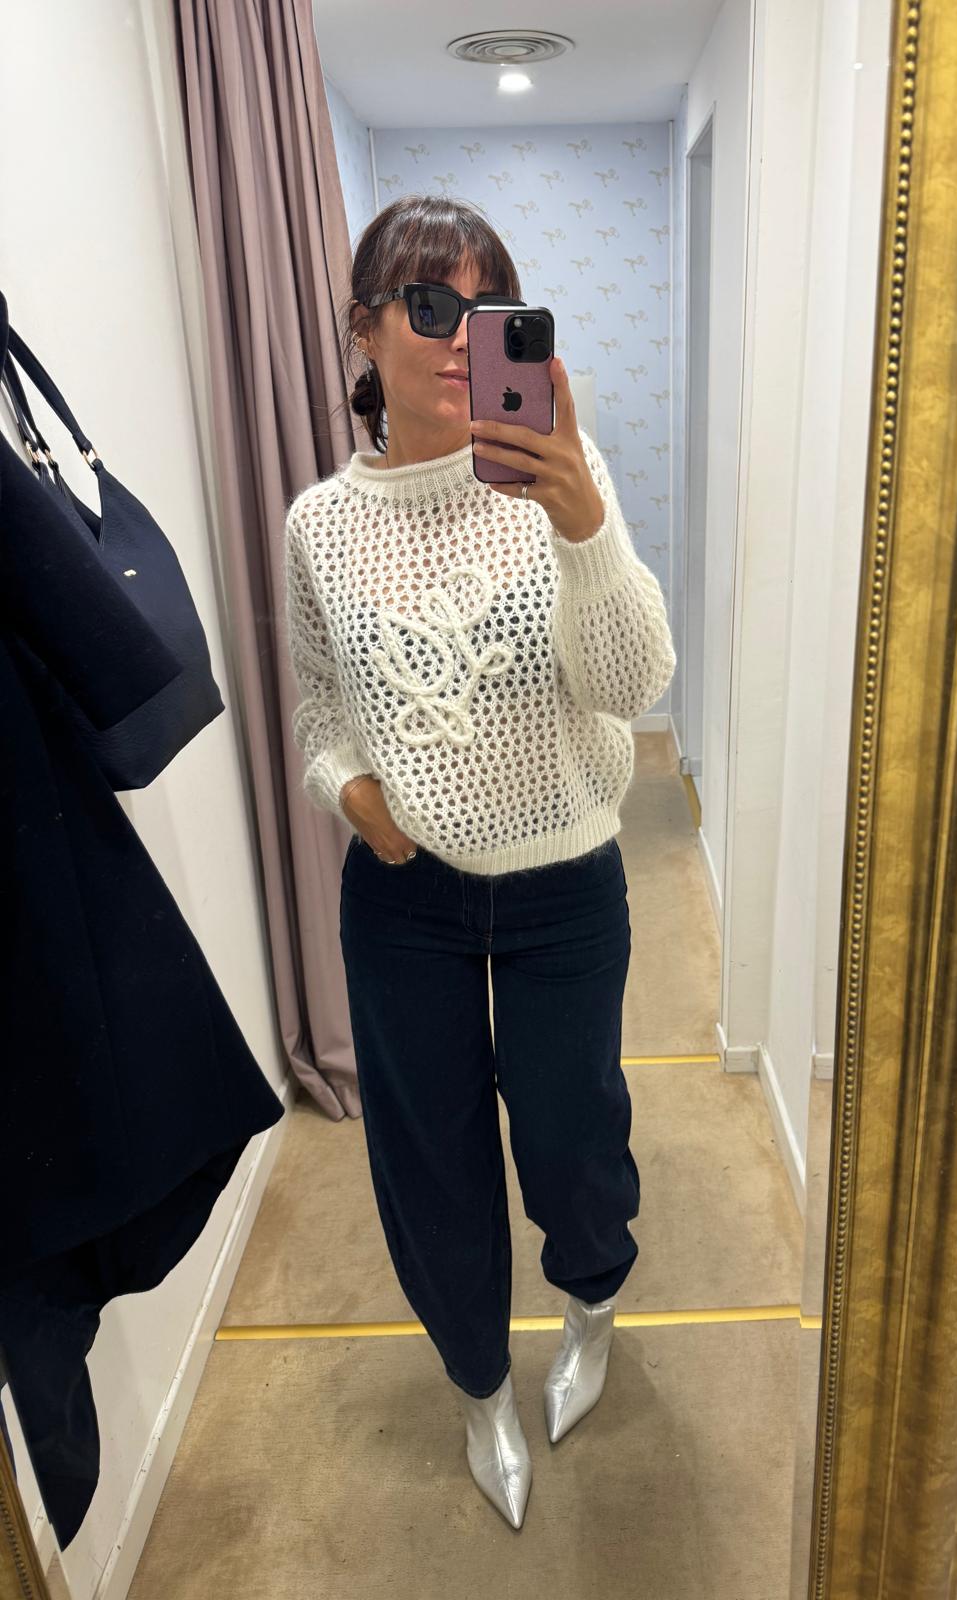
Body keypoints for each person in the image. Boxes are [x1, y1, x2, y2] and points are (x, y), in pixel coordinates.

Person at [282, 193, 676, 1529]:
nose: (463, 336)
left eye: (489, 308)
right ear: (364, 330)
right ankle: (477, 1388)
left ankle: (590, 1305)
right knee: (429, 1161)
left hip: (567, 882)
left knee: (574, 1138)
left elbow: (631, 685)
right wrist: (351, 795)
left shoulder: (562, 473)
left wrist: (584, 522)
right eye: (429, 305)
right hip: (405, 898)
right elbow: (319, 704)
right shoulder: (320, 525)